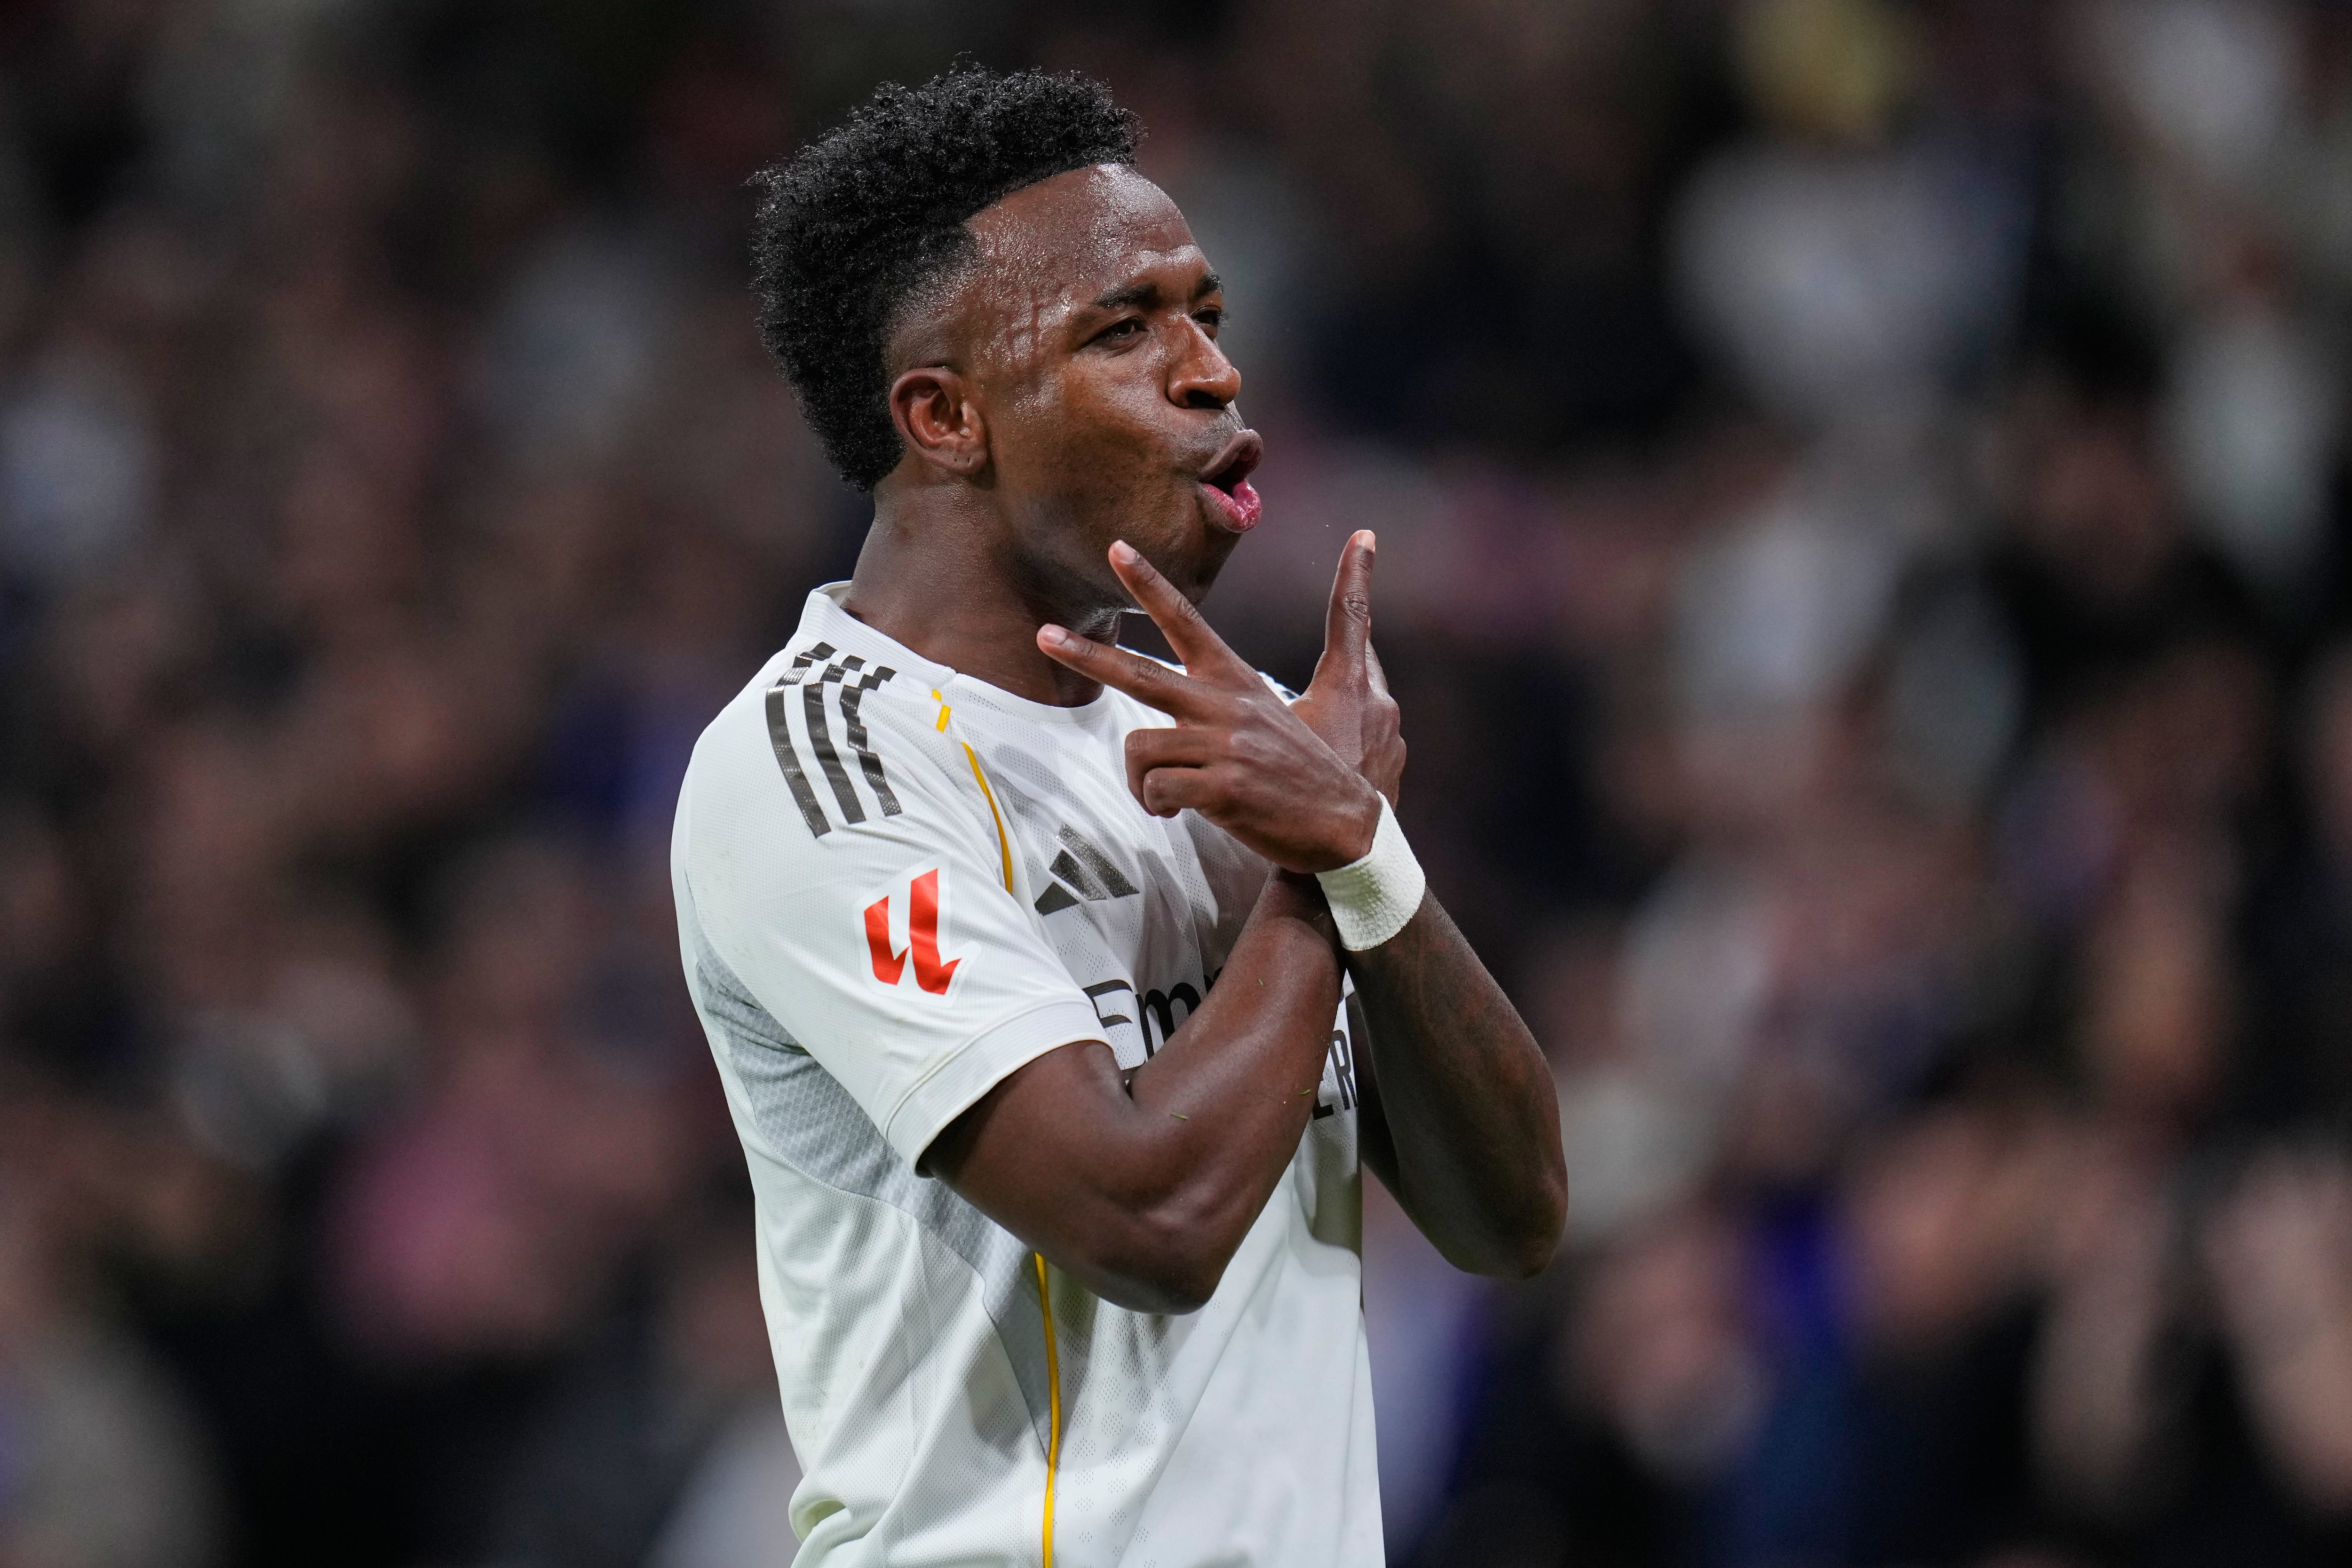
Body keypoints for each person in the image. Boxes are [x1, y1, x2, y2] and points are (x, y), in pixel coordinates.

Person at [670, 63, 1566, 1567]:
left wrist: (1362, 853)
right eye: (1124, 329)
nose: (1213, 372)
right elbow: (1150, 1222)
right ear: (945, 415)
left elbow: (1513, 1216)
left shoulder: (1238, 738)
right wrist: (1317, 862)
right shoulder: (817, 768)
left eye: (1207, 315)